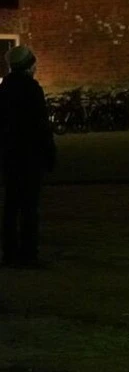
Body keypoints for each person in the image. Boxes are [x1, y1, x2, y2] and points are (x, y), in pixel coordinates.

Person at [0, 45, 56, 268]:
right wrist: (49, 152)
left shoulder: (4, 89)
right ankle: (28, 253)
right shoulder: (32, 89)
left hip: (10, 155)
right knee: (30, 206)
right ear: (28, 66)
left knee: (11, 205)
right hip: (30, 155)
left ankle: (9, 252)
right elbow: (40, 125)